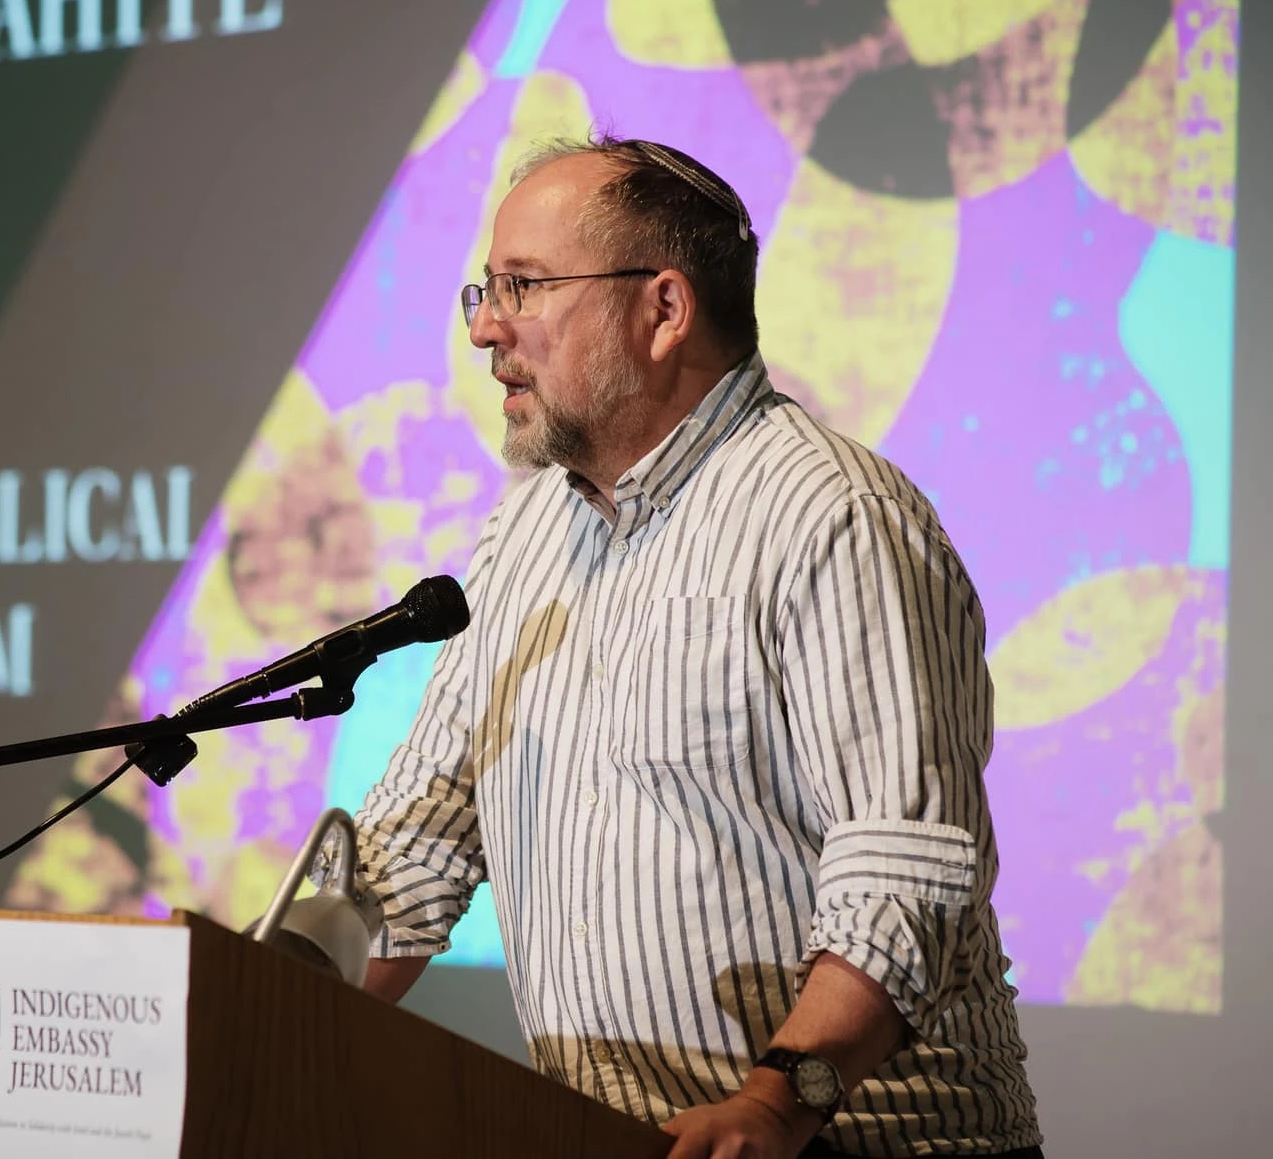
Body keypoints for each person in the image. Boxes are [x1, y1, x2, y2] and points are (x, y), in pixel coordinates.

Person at [351, 135, 1043, 1159]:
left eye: (524, 286)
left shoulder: (830, 517)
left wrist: (777, 1100)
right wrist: (259, 997)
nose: (486, 328)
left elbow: (905, 874)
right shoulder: (523, 533)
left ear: (663, 310)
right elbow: (418, 841)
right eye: (483, 291)